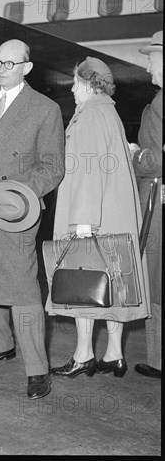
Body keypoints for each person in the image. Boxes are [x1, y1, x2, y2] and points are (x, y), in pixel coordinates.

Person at [0, 39, 65, 400]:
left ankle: (37, 369)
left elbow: (53, 167)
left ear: (26, 67)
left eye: (11, 63)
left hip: (16, 211)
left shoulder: (45, 109)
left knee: (22, 287)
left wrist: (20, 194)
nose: (2, 68)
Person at [47, 57, 151, 379]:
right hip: (115, 215)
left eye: (76, 82)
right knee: (116, 285)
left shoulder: (90, 115)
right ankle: (115, 353)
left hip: (93, 215)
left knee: (83, 282)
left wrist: (83, 222)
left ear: (89, 84)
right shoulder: (109, 112)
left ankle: (83, 355)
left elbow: (89, 173)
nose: (73, 89)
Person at [131, 31, 162, 379]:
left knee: (155, 277)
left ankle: (157, 361)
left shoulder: (159, 103)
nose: (148, 66)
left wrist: (134, 155)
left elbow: (156, 161)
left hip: (158, 201)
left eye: (151, 58)